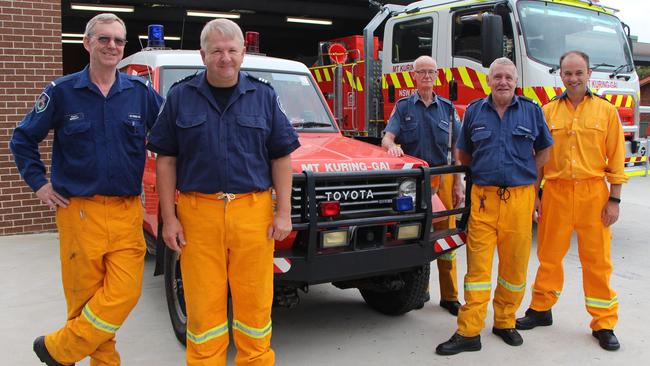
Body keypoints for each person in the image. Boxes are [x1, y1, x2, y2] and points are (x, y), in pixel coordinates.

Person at [10, 13, 163, 366]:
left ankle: (59, 350)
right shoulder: (61, 92)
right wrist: (39, 184)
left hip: (126, 213)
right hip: (79, 213)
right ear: (87, 43)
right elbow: (22, 139)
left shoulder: (140, 94)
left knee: (124, 292)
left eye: (119, 41)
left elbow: (173, 135)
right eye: (104, 39)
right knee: (85, 303)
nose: (112, 46)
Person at [146, 19, 300, 365]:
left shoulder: (263, 96)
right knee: (203, 308)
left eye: (232, 50)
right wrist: (168, 219)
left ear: (243, 54)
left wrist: (284, 212)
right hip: (198, 215)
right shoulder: (180, 97)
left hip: (253, 214)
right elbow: (166, 161)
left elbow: (281, 157)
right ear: (203, 55)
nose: (225, 58)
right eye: (217, 51)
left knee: (255, 304)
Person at [436, 57, 553, 355]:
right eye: (497, 76)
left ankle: (505, 321)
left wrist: (523, 172)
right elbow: (463, 154)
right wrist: (488, 173)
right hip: (485, 199)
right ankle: (469, 332)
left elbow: (545, 150)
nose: (503, 82)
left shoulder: (531, 110)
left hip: (520, 197)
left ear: (516, 81)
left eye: (508, 77)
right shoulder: (475, 111)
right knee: (478, 269)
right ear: (489, 81)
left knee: (514, 268)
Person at [516, 51, 627, 351]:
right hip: (556, 192)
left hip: (594, 194)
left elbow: (617, 158)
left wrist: (614, 199)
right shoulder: (548, 111)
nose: (573, 78)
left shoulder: (606, 111)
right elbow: (539, 157)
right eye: (568, 73)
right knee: (549, 257)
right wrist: (536, 194)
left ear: (589, 73)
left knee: (598, 261)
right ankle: (541, 309)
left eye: (579, 72)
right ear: (560, 75)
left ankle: (604, 323)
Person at [382, 55, 465, 315]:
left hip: (444, 176)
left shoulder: (448, 109)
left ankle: (450, 296)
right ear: (414, 76)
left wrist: (459, 183)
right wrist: (392, 147)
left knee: (447, 238)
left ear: (437, 75)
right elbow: (387, 138)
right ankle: (420, 291)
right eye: (422, 72)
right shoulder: (404, 107)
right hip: (416, 181)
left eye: (431, 72)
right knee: (419, 236)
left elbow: (457, 148)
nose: (427, 76)